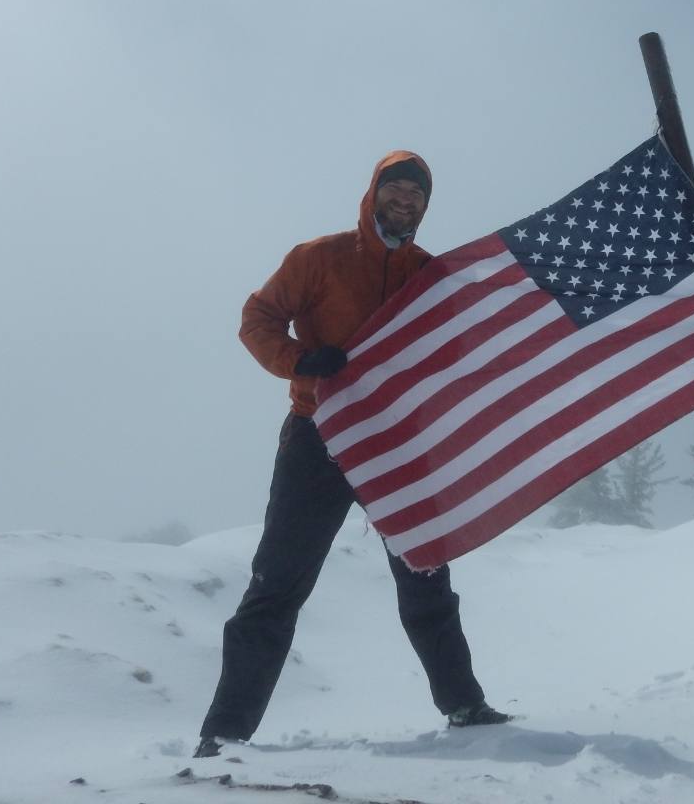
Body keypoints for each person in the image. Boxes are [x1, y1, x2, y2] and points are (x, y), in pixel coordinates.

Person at [195, 151, 508, 759]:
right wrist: (299, 361)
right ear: (373, 194)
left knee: (426, 574)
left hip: (398, 441)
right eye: (395, 187)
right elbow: (257, 318)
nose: (406, 199)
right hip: (319, 433)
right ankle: (225, 732)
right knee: (278, 582)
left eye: (417, 193)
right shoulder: (321, 257)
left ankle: (463, 704)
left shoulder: (429, 273)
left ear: (425, 206)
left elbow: (453, 348)